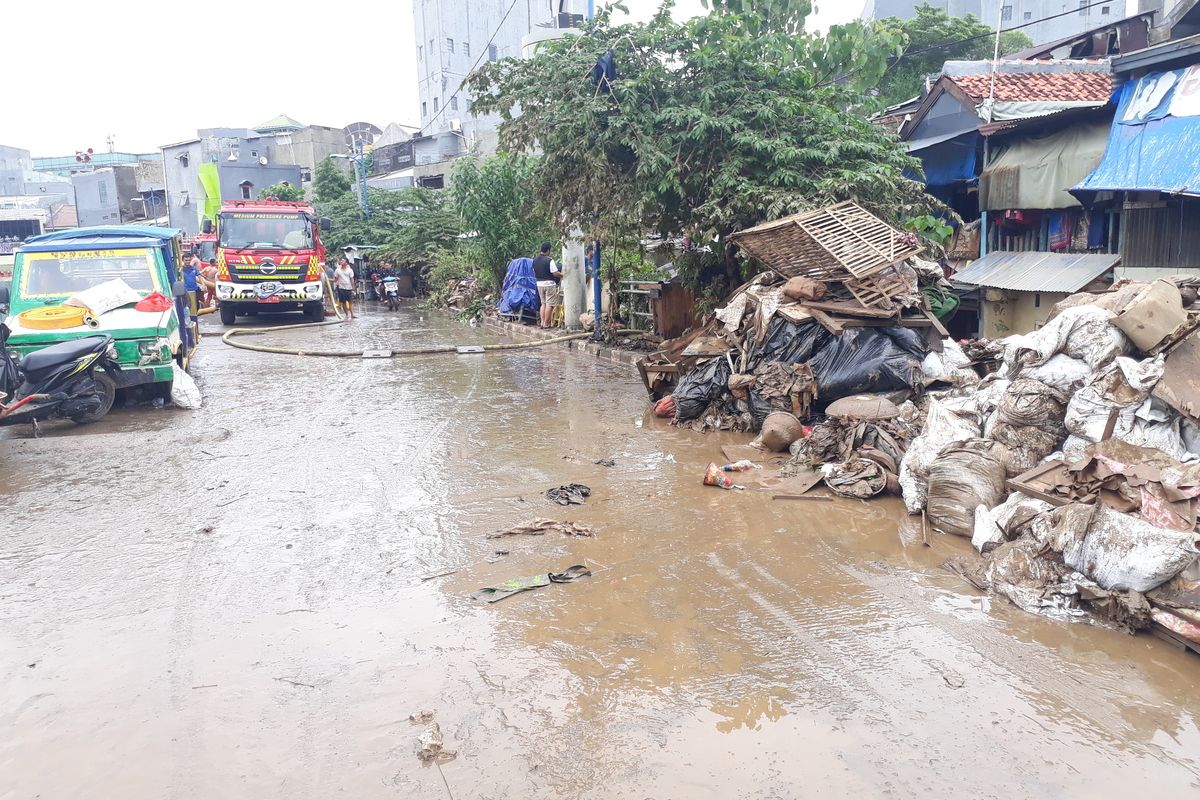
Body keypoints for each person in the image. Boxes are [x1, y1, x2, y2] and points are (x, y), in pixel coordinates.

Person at [532, 242, 561, 328]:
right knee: (549, 304)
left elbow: (535, 271)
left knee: (543, 303)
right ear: (548, 250)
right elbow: (555, 273)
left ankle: (542, 322)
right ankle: (546, 324)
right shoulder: (549, 260)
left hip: (539, 284)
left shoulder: (535, 260)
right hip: (549, 284)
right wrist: (563, 275)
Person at [183, 251, 202, 316]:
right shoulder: (181, 270)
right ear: (183, 261)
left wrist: (204, 285)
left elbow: (199, 276)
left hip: (195, 290)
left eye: (189, 260)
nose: (187, 262)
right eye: (186, 260)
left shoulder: (194, 268)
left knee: (196, 306)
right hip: (185, 291)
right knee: (187, 306)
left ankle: (195, 318)